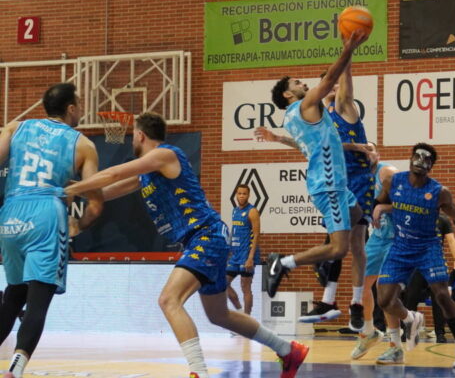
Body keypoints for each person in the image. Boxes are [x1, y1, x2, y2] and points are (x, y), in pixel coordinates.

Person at [64, 112, 308, 378]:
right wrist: (70, 188)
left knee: (169, 299)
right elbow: (106, 191)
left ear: (141, 135)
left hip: (206, 235)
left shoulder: (165, 154)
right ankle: (288, 350)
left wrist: (71, 190)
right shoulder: (147, 172)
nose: (131, 139)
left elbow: (112, 174)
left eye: (133, 135)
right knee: (219, 315)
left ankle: (198, 372)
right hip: (203, 238)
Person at [260, 58, 375, 330]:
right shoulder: (313, 109)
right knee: (340, 246)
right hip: (331, 182)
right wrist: (349, 49)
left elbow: (318, 143)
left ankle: (348, 297)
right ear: (288, 94)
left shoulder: (318, 114)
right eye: (298, 83)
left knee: (356, 233)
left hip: (348, 182)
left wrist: (359, 147)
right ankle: (288, 265)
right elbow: (334, 82)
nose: (305, 83)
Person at [0, 83, 103, 378]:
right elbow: (95, 203)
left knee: (14, 294)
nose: (81, 110)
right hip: (46, 212)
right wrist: (77, 226)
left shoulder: (15, 127)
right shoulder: (83, 144)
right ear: (70, 108)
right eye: (79, 104)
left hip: (11, 212)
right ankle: (16, 368)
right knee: (38, 298)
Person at [373, 143, 455, 369]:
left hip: (428, 248)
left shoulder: (440, 192)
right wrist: (377, 208)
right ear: (410, 158)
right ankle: (409, 322)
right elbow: (381, 200)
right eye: (417, 156)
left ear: (431, 165)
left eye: (426, 158)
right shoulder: (393, 181)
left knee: (441, 295)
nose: (420, 161)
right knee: (384, 300)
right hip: (400, 246)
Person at [351, 155, 401, 359]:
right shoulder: (359, 179)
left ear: (377, 155)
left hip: (397, 237)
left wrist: (383, 207)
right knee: (360, 286)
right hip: (377, 237)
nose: (366, 154)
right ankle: (369, 332)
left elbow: (410, 201)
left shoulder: (388, 172)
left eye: (370, 150)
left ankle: (396, 346)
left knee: (384, 289)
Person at [403, 212, 455, 343]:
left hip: (436, 264)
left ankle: (440, 333)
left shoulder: (443, 220)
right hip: (418, 264)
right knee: (411, 297)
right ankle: (409, 331)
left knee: (439, 299)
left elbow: (451, 240)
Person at [225, 184, 260, 318]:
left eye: (244, 194)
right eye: (239, 193)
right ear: (236, 195)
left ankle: (247, 319)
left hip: (246, 254)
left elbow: (256, 235)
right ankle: (240, 313)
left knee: (245, 287)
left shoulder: (252, 211)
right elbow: (234, 232)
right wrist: (229, 251)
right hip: (235, 255)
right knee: (223, 283)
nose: (241, 196)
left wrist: (250, 257)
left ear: (248, 195)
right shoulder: (234, 211)